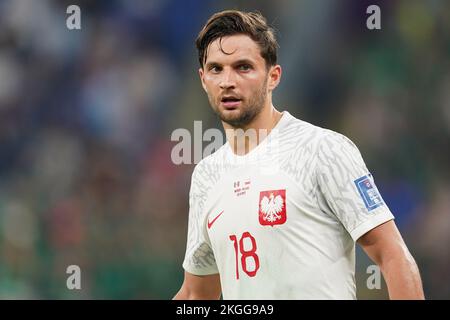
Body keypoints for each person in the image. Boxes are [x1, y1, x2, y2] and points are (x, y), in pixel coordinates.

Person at [174, 10, 424, 300]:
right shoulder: (207, 175)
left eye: (243, 67)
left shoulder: (323, 149)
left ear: (273, 76)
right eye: (216, 69)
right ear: (203, 79)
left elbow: (391, 254)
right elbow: (197, 294)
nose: (227, 81)